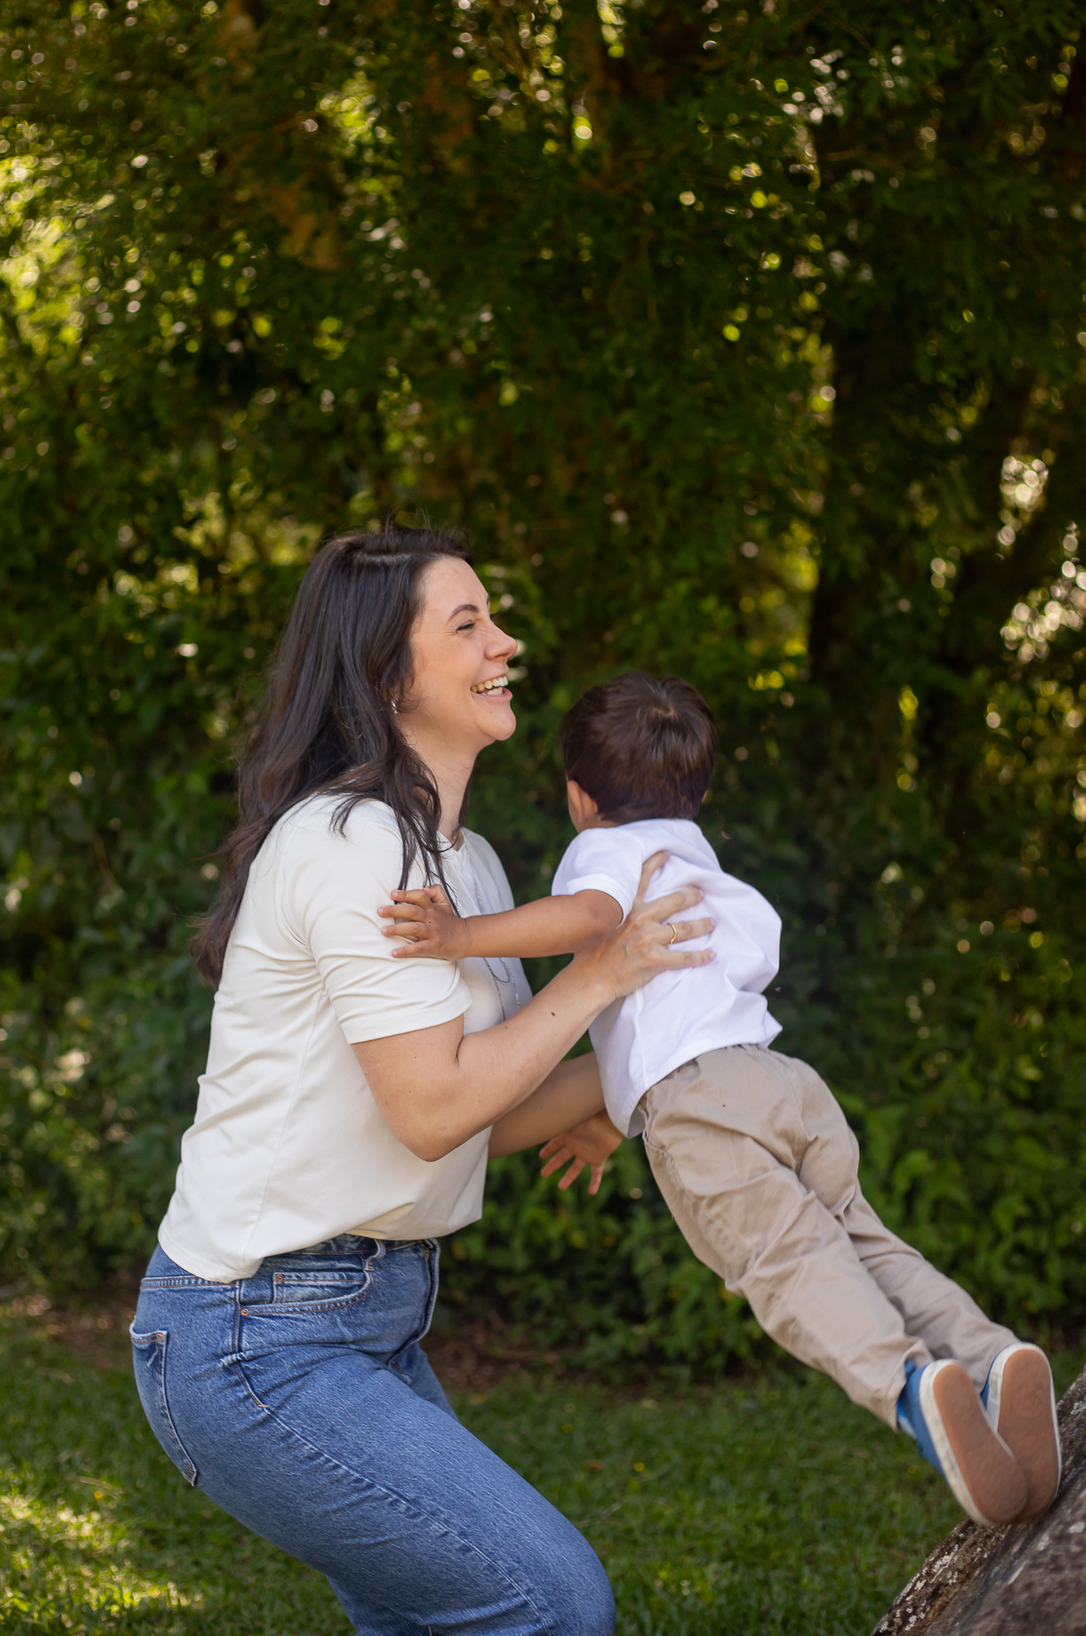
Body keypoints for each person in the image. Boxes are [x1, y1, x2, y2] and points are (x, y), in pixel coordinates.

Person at [131, 530, 714, 1636]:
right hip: (254, 1333)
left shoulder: (468, 864)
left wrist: (630, 1080)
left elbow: (485, 1112)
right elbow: (435, 1109)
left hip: (365, 1318)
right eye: (468, 625)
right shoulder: (350, 844)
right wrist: (603, 973)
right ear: (387, 674)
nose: (507, 643)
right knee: (552, 1601)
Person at [382, 670, 1062, 1530]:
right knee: (865, 1243)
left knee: (788, 1265)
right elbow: (674, 1013)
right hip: (779, 1082)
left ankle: (912, 1389)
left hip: (703, 1103)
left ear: (580, 796)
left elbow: (588, 922)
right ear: (695, 792)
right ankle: (991, 1358)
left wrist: (461, 936)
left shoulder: (606, 850)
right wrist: (612, 1115)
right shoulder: (691, 851)